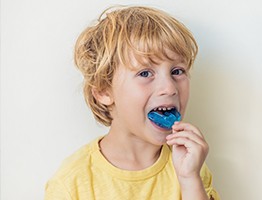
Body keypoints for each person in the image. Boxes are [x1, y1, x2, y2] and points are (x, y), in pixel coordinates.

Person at [44, 5, 220, 200]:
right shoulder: (72, 183)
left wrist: (189, 179)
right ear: (103, 91)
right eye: (145, 73)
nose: (170, 88)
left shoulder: (189, 165)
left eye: (177, 71)